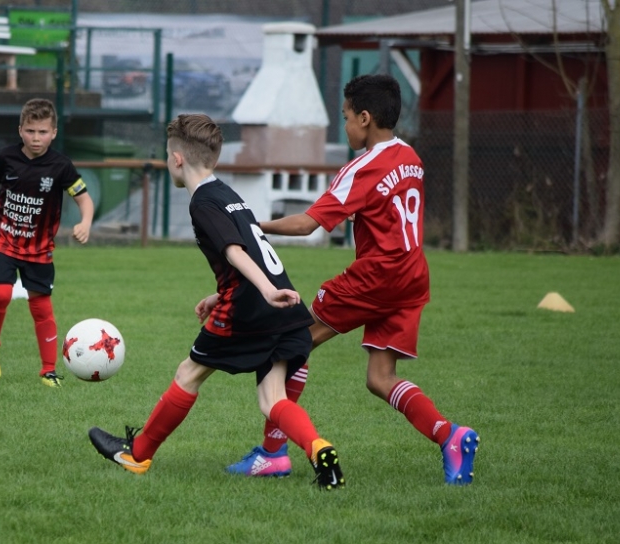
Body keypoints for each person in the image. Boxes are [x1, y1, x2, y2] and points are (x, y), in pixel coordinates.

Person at [226, 73, 478, 485]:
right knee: (380, 378)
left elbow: (308, 224)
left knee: (291, 342)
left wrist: (252, 226)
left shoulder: (362, 167)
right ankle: (450, 435)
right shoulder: (410, 157)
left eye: (345, 117)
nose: (344, 127)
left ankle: (273, 454)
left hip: (376, 276)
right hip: (412, 276)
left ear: (364, 118)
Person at [88, 114, 344, 489]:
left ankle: (137, 455)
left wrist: (263, 291)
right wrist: (223, 294)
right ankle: (319, 449)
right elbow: (253, 252)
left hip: (252, 308)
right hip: (283, 308)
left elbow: (236, 251)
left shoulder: (203, 203)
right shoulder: (228, 194)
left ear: (177, 159)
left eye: (167, 155)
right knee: (272, 399)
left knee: (188, 374)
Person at [0, 98, 94, 388]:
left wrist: (85, 222)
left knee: (41, 306)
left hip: (39, 248)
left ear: (54, 132)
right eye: (31, 131)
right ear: (20, 130)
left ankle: (48, 370)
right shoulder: (6, 157)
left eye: (43, 132)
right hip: (2, 237)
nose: (36, 138)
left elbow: (84, 198)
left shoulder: (61, 166)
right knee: (1, 293)